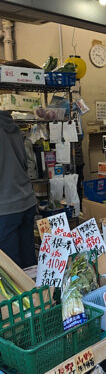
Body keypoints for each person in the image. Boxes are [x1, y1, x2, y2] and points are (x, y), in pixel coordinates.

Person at [0, 111, 37, 268]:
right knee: (28, 261)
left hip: (6, 207)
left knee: (12, 269)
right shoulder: (11, 125)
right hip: (26, 200)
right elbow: (25, 162)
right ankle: (35, 292)